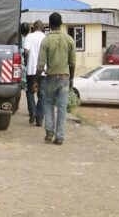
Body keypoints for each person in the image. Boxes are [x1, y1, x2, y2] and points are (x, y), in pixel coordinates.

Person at [33, 13, 76, 146]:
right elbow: (72, 63)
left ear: (50, 25)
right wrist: (71, 79)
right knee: (62, 108)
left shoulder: (46, 41)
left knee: (49, 104)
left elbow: (40, 64)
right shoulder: (69, 40)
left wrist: (36, 80)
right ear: (61, 23)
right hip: (64, 78)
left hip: (51, 78)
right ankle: (59, 137)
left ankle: (49, 132)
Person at [24, 20, 46, 126]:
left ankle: (32, 112)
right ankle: (40, 118)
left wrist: (29, 60)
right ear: (42, 28)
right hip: (43, 71)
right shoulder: (45, 37)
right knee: (42, 94)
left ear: (33, 27)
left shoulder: (29, 36)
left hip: (31, 69)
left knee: (30, 92)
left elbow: (26, 51)